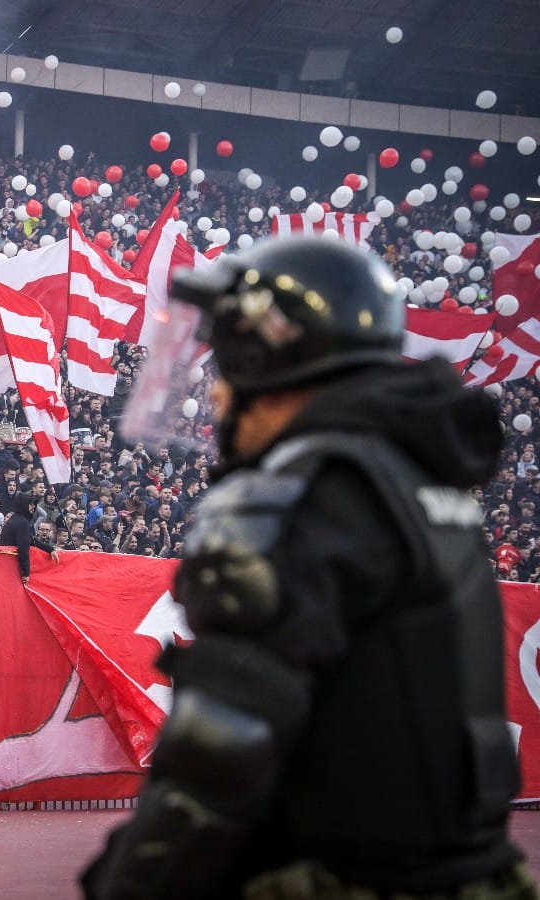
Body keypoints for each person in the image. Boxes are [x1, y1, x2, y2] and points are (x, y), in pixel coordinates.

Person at [84, 237, 533, 898]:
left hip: (343, 877)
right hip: (477, 873)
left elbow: (221, 748)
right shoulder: (423, 486)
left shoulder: (294, 498)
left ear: (270, 359)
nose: (214, 395)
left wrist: (131, 882)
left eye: (227, 363)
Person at [0, 493, 58, 585]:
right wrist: (26, 573)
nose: (34, 507)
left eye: (35, 504)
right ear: (24, 504)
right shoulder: (22, 522)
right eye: (31, 504)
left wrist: (50, 549)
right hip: (9, 566)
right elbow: (23, 549)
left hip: (5, 564)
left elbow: (30, 540)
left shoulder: (18, 519)